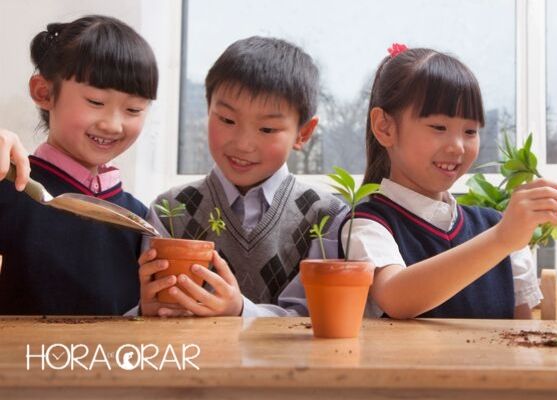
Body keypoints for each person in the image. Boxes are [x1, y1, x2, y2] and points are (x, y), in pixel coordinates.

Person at [345, 45, 557, 319]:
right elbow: (395, 296)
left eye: (470, 131)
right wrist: (502, 239)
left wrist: (506, 236)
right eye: (439, 127)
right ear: (385, 127)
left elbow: (522, 339)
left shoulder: (495, 225)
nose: (458, 147)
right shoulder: (367, 225)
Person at [137, 37, 347, 317]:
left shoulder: (327, 215)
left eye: (267, 129)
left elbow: (315, 316)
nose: (243, 144)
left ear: (303, 133)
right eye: (226, 120)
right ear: (208, 109)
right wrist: (145, 309)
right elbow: (152, 312)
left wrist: (240, 311)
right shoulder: (169, 211)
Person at [0, 15, 158, 314]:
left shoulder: (140, 219)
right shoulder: (10, 187)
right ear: (44, 93)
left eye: (133, 109)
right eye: (96, 102)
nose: (113, 125)